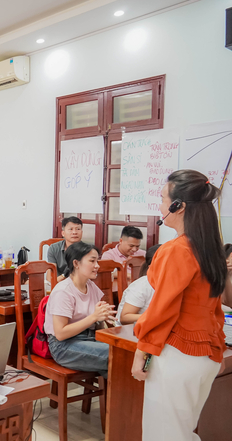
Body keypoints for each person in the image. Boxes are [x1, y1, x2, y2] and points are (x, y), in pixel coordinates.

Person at [131, 170, 229, 441]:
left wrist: (142, 351)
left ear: (179, 206)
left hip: (178, 356)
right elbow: (215, 308)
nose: (160, 206)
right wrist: (217, 348)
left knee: (164, 434)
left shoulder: (176, 250)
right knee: (182, 431)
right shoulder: (211, 249)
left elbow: (162, 309)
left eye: (163, 199)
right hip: (204, 356)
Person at [44, 242, 115, 378]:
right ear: (76, 263)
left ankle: (119, 399)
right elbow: (60, 334)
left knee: (123, 354)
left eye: (97, 261)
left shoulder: (91, 286)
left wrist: (102, 319)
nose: (97, 266)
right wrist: (94, 317)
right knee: (119, 356)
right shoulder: (63, 291)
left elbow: (97, 325)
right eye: (92, 261)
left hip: (89, 338)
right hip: (63, 346)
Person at [116, 244, 161, 326]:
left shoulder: (173, 283)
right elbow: (124, 318)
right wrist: (156, 318)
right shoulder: (142, 285)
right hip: (129, 331)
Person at [47, 216, 83, 282]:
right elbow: (50, 277)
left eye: (78, 229)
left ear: (82, 232)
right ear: (63, 233)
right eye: (70, 229)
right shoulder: (53, 248)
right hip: (57, 284)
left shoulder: (87, 250)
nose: (74, 232)